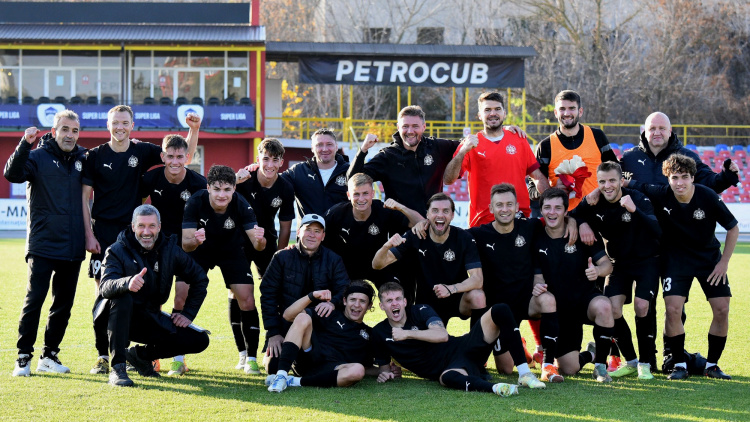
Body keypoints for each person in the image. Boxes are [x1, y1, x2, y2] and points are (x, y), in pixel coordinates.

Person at [84, 105, 200, 374]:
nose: (120, 127)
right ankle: (104, 354)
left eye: (125, 122)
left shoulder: (143, 150)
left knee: (145, 294)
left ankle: (144, 354)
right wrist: (89, 233)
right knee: (103, 296)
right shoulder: (95, 155)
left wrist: (193, 130)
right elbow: (84, 197)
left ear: (132, 125)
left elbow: (183, 155)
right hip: (102, 232)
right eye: (116, 122)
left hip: (136, 236)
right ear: (108, 124)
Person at [628, 154, 738, 380]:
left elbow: (733, 227)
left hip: (709, 260)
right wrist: (620, 182)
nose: (680, 182)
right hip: (676, 260)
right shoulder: (662, 193)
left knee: (722, 309)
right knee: (673, 309)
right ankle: (679, 364)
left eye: (685, 177)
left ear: (692, 177)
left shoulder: (707, 196)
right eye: (675, 177)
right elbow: (636, 184)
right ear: (667, 178)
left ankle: (712, 365)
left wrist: (723, 262)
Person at [5, 110, 87, 376]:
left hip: (72, 246)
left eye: (75, 131)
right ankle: (23, 357)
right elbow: (12, 174)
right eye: (65, 129)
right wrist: (23, 145)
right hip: (43, 245)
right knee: (35, 301)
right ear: (54, 132)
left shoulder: (83, 159)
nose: (70, 135)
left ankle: (49, 355)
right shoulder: (37, 157)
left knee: (63, 306)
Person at [98, 205, 209, 387]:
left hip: (149, 317)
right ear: (133, 227)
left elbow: (200, 278)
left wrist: (188, 313)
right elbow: (105, 286)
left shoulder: (169, 249)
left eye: (151, 226)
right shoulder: (117, 250)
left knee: (199, 339)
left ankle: (140, 356)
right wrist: (127, 282)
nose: (146, 232)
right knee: (123, 296)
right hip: (115, 318)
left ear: (159, 227)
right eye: (141, 226)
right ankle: (118, 368)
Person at [570, 162, 661, 380]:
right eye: (602, 182)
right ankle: (631, 361)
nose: (607, 186)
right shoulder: (594, 200)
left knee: (642, 306)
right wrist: (581, 223)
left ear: (621, 180)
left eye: (612, 180)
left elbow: (656, 230)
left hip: (647, 261)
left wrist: (634, 210)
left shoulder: (636, 198)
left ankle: (646, 363)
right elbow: (573, 215)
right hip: (619, 263)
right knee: (612, 309)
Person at [372, 282, 545, 395]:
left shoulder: (420, 310)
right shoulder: (379, 333)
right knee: (447, 379)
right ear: (381, 306)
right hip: (451, 367)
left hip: (464, 346)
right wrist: (386, 374)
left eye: (397, 299)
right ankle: (497, 388)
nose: (394, 304)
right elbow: (385, 369)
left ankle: (524, 373)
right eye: (388, 301)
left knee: (500, 309)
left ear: (404, 302)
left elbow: (442, 335)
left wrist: (407, 333)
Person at [467, 183, 562, 383]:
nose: (505, 209)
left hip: (526, 301)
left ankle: (548, 366)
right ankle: (521, 348)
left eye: (509, 204)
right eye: (499, 205)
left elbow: (559, 219)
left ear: (517, 206)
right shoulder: (478, 234)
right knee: (506, 369)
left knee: (548, 300)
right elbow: (450, 235)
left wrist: (573, 223)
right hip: (499, 311)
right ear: (491, 208)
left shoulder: (530, 227)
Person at [182, 165, 266, 374]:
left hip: (231, 250)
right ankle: (177, 358)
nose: (222, 194)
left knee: (247, 298)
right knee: (181, 295)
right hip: (201, 249)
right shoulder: (195, 201)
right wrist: (195, 241)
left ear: (234, 190)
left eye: (227, 190)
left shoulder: (241, 204)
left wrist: (260, 239)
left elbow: (257, 246)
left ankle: (251, 358)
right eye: (217, 189)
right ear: (208, 187)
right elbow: (185, 244)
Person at [141, 133, 206, 376]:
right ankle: (153, 355)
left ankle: (178, 359)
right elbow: (139, 209)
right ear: (163, 157)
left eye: (180, 156)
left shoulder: (198, 183)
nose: (175, 161)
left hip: (186, 249)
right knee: (154, 301)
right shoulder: (151, 177)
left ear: (187, 157)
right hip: (156, 248)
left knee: (180, 298)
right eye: (170, 156)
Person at [533, 188, 615, 382]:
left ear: (565, 211)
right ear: (541, 210)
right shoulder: (535, 237)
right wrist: (536, 286)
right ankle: (590, 354)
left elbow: (607, 264)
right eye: (547, 208)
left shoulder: (582, 234)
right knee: (570, 368)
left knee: (604, 305)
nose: (552, 212)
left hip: (583, 302)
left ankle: (601, 367)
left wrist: (598, 271)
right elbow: (536, 273)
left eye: (557, 208)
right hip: (557, 312)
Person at [372, 193, 485, 326]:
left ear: (452, 215)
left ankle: (477, 343)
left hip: (458, 298)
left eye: (446, 211)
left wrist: (451, 289)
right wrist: (386, 246)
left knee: (478, 296)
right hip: (427, 302)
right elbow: (377, 265)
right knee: (435, 341)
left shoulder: (464, 238)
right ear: (427, 214)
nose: (440, 215)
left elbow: (477, 279)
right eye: (435, 211)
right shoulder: (416, 235)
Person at [260, 213, 350, 374]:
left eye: (317, 231)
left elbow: (344, 289)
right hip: (286, 322)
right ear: (299, 231)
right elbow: (268, 295)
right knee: (272, 368)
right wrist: (273, 333)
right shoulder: (282, 257)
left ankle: (303, 357)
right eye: (308, 229)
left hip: (320, 325)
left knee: (316, 366)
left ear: (323, 236)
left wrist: (332, 302)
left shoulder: (333, 259)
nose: (312, 235)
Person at [233, 138, 295, 371]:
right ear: (257, 159)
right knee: (238, 293)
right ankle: (243, 353)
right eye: (265, 158)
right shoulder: (245, 180)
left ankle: (274, 344)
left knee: (274, 291)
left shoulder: (286, 187)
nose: (269, 164)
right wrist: (235, 177)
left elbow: (286, 224)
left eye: (275, 159)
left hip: (266, 241)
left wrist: (279, 255)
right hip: (238, 241)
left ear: (281, 162)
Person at [443, 91, 550, 226]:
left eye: (497, 109)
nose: (493, 113)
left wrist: (552, 202)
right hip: (483, 223)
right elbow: (448, 179)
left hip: (517, 219)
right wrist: (463, 151)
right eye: (487, 110)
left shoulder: (519, 139)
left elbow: (537, 177)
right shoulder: (470, 144)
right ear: (480, 116)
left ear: (504, 113)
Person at [347, 105, 459, 217]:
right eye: (405, 126)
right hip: (401, 229)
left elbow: (466, 145)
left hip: (434, 226)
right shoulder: (387, 156)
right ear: (398, 127)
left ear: (424, 127)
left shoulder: (436, 147)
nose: (410, 131)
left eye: (415, 126)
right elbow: (352, 180)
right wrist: (363, 150)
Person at [266, 281, 377, 392]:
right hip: (309, 359)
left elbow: (367, 368)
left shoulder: (369, 334)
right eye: (352, 300)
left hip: (333, 370)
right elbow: (288, 315)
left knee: (358, 370)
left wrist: (387, 371)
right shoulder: (329, 312)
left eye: (362, 301)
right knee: (302, 317)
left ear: (369, 306)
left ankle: (293, 381)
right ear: (344, 301)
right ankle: (281, 375)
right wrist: (311, 296)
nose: (357, 305)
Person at [324, 172, 421, 290]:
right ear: (348, 195)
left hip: (379, 269)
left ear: (372, 194)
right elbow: (319, 239)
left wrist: (401, 208)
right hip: (346, 272)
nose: (361, 199)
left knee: (394, 296)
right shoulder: (336, 214)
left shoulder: (383, 210)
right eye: (356, 194)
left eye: (365, 193)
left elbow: (420, 223)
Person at [535, 90, 618, 211]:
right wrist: (551, 190)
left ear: (580, 111)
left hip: (600, 211)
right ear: (555, 112)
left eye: (572, 108)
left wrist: (601, 190)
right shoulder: (545, 146)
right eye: (562, 109)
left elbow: (615, 170)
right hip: (566, 217)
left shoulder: (597, 136)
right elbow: (533, 186)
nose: (567, 113)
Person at [620, 112, 739, 193]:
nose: (657, 133)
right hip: (640, 226)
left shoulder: (686, 156)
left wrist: (725, 177)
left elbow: (708, 183)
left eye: (662, 128)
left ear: (670, 131)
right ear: (644, 131)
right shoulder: (629, 158)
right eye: (652, 128)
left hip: (674, 226)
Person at [280, 128, 350, 217]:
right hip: (310, 230)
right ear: (312, 148)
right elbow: (274, 181)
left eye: (329, 144)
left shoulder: (349, 171)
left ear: (336, 147)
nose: (324, 149)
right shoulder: (298, 171)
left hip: (341, 230)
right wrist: (258, 169)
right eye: (319, 145)